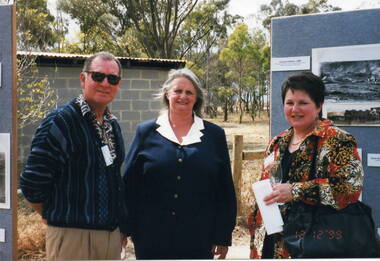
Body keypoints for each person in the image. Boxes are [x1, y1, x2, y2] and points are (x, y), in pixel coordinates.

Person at [20, 52, 128, 260]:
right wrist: (58, 218)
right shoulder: (61, 122)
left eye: (112, 79)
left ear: (118, 84)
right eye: (98, 76)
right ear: (83, 79)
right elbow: (32, 184)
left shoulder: (112, 126)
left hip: (110, 238)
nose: (105, 83)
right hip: (72, 238)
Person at [122, 68, 237, 259]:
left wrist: (223, 235)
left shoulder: (214, 135)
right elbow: (128, 184)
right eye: (177, 91)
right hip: (150, 237)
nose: (183, 96)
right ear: (167, 94)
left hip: (199, 238)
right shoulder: (146, 131)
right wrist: (124, 228)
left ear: (196, 98)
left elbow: (224, 189)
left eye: (189, 92)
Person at [248, 72, 364, 258]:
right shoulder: (277, 143)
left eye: (303, 103)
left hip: (316, 243)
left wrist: (295, 191)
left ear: (319, 106)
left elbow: (349, 190)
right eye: (289, 103)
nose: (295, 109)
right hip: (274, 243)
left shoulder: (338, 140)